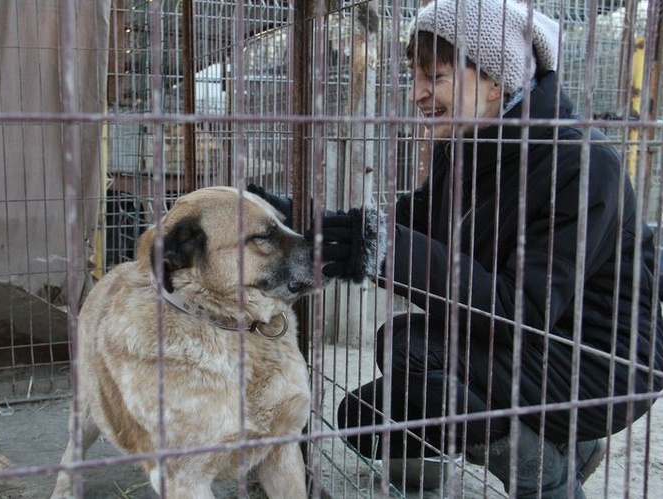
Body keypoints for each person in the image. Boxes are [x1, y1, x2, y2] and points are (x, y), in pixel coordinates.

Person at [250, 0, 663, 496]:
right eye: (415, 76)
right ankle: (562, 449)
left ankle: (547, 477)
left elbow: (523, 309)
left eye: (437, 76)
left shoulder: (581, 163)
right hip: (533, 350)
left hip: (601, 365)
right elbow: (412, 224)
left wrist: (378, 247)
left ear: (495, 80)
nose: (418, 93)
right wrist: (307, 225)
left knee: (417, 356)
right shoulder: (464, 147)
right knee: (380, 381)